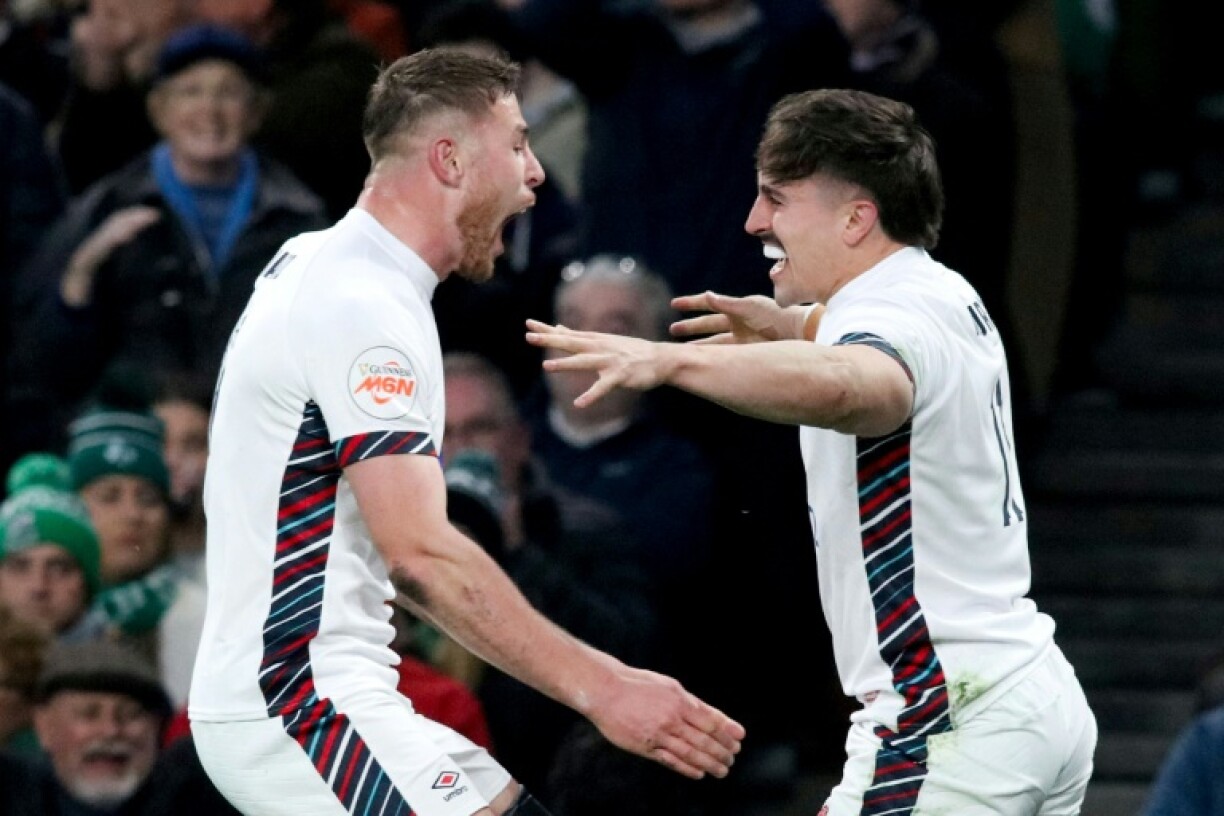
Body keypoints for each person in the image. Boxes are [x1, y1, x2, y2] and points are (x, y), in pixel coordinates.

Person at [188, 46, 743, 816]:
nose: (536, 173)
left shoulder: (319, 262)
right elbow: (420, 558)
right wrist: (605, 687)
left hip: (314, 695)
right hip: (299, 703)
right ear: (448, 160)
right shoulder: (363, 302)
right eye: (516, 144)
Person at [526, 87, 1097, 814]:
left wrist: (668, 364)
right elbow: (861, 350)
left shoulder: (884, 321)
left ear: (857, 217)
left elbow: (858, 386)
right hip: (1027, 692)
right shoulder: (943, 292)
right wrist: (796, 327)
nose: (753, 221)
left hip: (947, 711)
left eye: (777, 198)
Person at [7, 23, 328, 458]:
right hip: (131, 449)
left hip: (260, 447)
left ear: (257, 111)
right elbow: (47, 365)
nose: (209, 111)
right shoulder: (104, 210)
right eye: (190, 92)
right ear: (159, 110)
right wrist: (79, 277)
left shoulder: (301, 220)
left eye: (228, 93)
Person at [0, 453, 104, 643]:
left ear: (86, 583)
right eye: (20, 567)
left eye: (59, 569)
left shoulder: (122, 669)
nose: (38, 587)